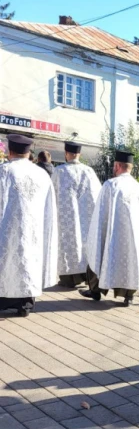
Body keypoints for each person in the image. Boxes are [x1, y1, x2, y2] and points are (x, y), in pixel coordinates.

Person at [80, 150, 139, 306]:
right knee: (130, 261)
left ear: (117, 166)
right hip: (132, 236)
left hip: (112, 234)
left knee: (98, 251)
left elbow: (101, 212)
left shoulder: (111, 184)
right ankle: (128, 295)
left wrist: (96, 231)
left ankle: (95, 290)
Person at [0, 134, 58, 317]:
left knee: (7, 262)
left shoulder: (5, 171)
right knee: (29, 262)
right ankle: (25, 303)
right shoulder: (41, 173)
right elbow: (50, 207)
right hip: (34, 230)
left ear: (10, 150)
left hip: (8, 230)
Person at [52, 142, 101, 288]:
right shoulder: (89, 171)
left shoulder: (59, 171)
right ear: (79, 154)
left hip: (66, 217)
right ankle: (86, 277)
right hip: (85, 217)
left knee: (67, 246)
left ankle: (68, 279)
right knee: (85, 245)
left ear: (66, 154)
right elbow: (97, 195)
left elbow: (51, 194)